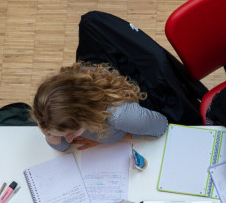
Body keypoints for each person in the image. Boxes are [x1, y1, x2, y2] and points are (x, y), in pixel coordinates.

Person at [31, 62, 169, 152]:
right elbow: (63, 147)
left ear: (85, 115)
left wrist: (112, 138)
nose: (69, 139)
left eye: (71, 133)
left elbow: (161, 127)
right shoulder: (51, 114)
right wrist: (50, 135)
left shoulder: (121, 117)